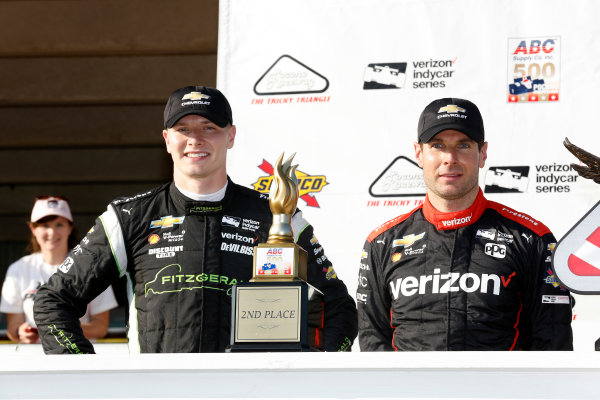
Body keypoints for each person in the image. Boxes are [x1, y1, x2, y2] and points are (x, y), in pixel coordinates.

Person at [34, 86, 358, 354]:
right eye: (183, 129)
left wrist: (310, 373)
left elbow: (340, 308)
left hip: (249, 391)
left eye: (209, 128)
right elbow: (53, 300)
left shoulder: (276, 215)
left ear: (230, 136)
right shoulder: (129, 217)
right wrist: (86, 375)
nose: (195, 139)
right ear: (166, 139)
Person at [357, 97, 573, 351]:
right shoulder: (382, 242)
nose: (450, 158)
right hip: (410, 391)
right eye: (437, 145)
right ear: (419, 154)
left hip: (502, 392)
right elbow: (373, 342)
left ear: (483, 154)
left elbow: (552, 345)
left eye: (464, 145)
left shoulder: (532, 239)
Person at [1, 196, 117, 344]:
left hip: (78, 359)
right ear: (33, 229)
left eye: (59, 225)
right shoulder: (18, 270)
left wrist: (60, 328)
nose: (52, 233)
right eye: (44, 225)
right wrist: (21, 332)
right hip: (32, 362)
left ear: (70, 227)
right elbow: (13, 329)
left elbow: (101, 327)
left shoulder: (91, 266)